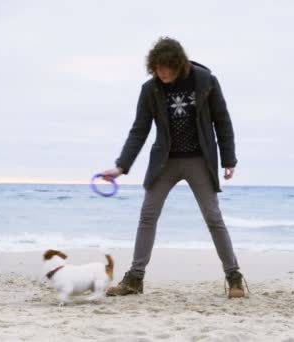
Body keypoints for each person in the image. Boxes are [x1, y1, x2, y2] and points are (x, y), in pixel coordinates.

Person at [101, 37, 245, 298]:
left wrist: (229, 159)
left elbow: (222, 121)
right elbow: (139, 130)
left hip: (199, 160)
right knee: (147, 215)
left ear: (178, 64)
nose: (162, 73)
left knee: (213, 218)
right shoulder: (150, 89)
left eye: (166, 67)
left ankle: (234, 277)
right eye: (157, 68)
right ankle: (135, 279)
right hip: (164, 162)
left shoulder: (205, 81)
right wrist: (121, 166)